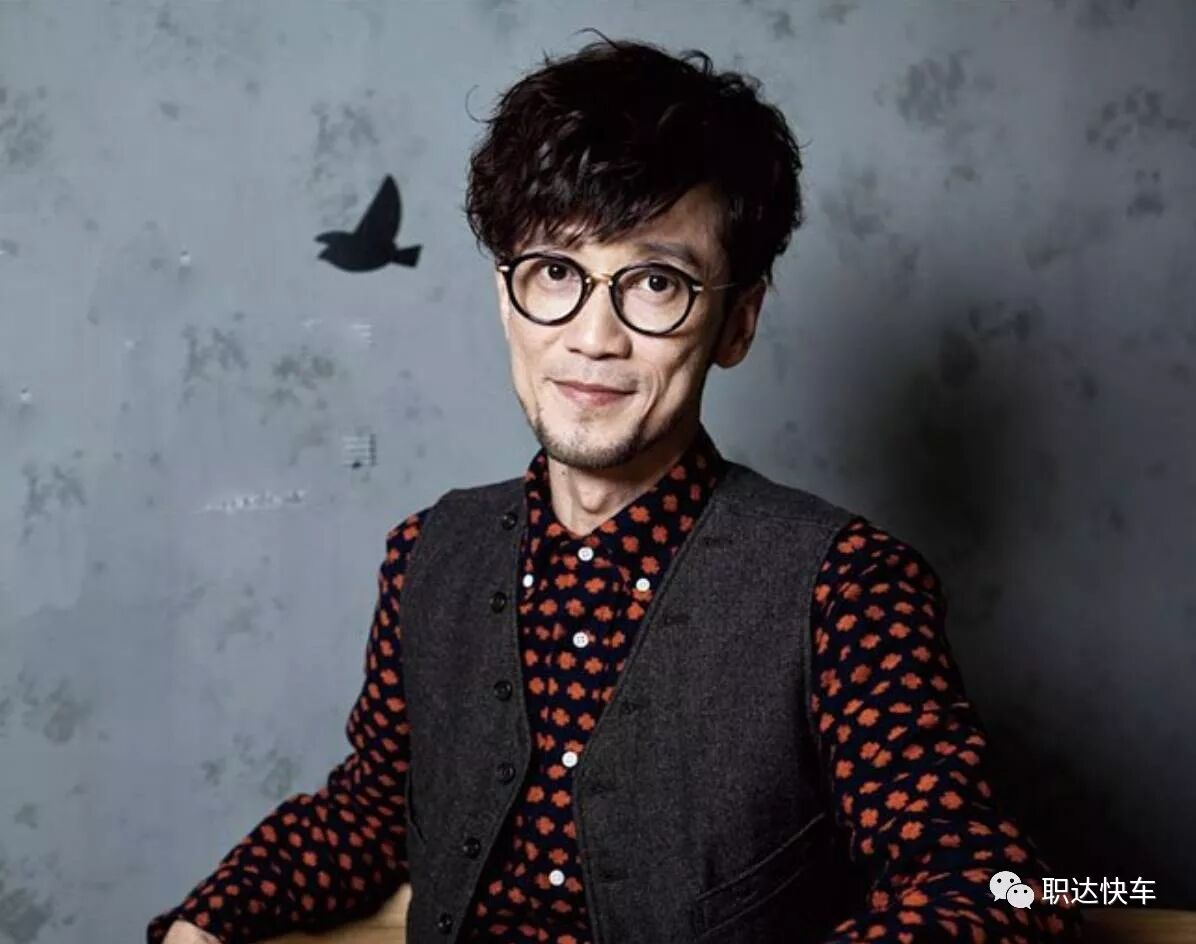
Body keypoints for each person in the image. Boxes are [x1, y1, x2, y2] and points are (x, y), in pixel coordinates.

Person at [148, 32, 1084, 944]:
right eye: (557, 272)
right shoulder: (427, 556)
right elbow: (372, 812)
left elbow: (990, 888)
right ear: (506, 299)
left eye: (656, 283)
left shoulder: (846, 588)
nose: (593, 337)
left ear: (737, 323)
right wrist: (206, 919)